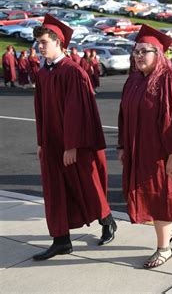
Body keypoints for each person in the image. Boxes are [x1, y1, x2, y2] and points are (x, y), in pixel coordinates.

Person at [32, 14, 117, 261]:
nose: (40, 47)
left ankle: (107, 219)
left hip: (74, 144)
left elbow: (77, 114)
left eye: (44, 42)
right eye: (38, 42)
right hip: (51, 143)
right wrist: (40, 141)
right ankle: (61, 240)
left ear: (58, 43)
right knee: (55, 190)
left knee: (87, 186)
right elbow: (40, 111)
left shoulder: (73, 72)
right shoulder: (43, 73)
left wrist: (71, 145)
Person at [118, 24, 172, 268]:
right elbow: (123, 114)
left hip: (163, 152)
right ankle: (170, 227)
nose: (139, 55)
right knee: (150, 197)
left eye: (145, 51)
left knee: (162, 197)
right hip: (139, 150)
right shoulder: (133, 80)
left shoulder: (170, 79)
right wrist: (122, 145)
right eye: (136, 51)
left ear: (159, 54)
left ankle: (164, 248)